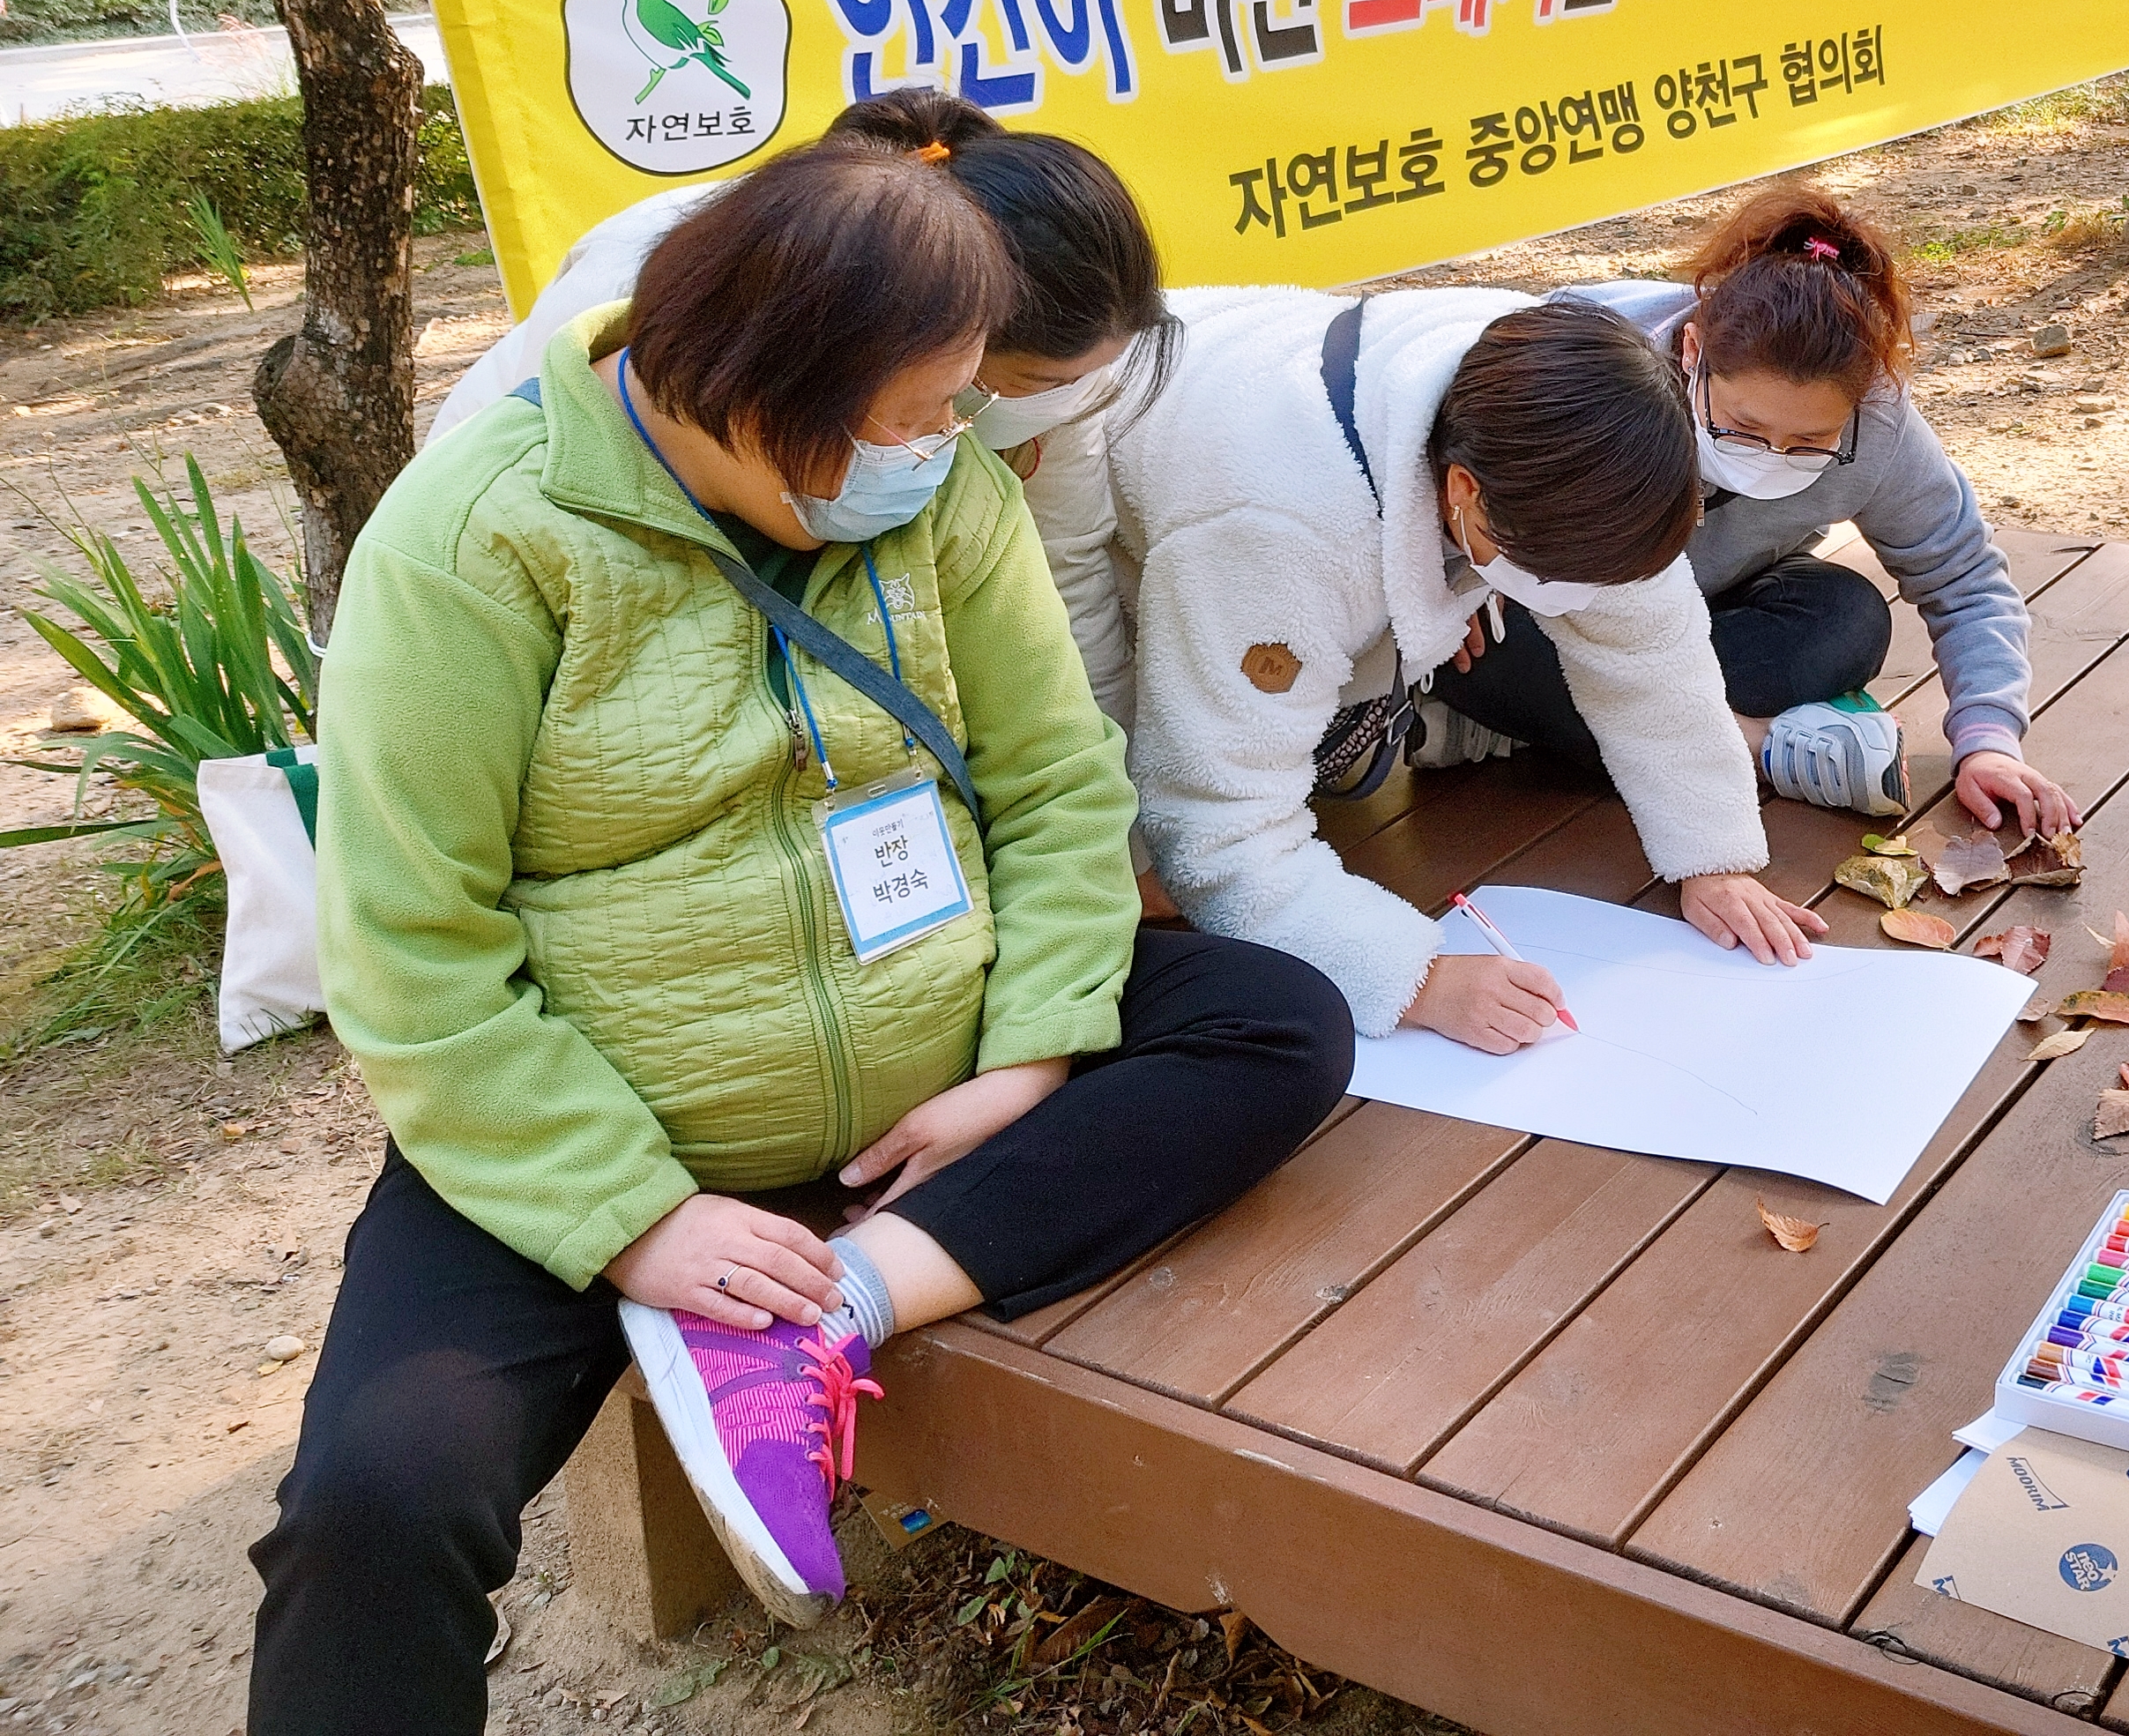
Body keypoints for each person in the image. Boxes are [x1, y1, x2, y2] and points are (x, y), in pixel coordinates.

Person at [252, 138, 1349, 1734]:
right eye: (909, 417)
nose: (948, 449)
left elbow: (1053, 783)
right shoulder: (479, 541)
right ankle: (715, 1297)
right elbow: (411, 951)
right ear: (750, 385)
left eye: (956, 403)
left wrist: (1031, 1051)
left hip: (919, 1075)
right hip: (615, 1119)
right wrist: (633, 1219)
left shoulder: (941, 499)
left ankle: (828, 1311)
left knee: (1276, 1022)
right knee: (374, 1497)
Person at [1108, 286, 1820, 1053]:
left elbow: (1651, 654)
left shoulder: (1565, 411)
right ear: (1461, 492)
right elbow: (1217, 822)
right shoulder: (1278, 529)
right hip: (1132, 532)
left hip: (1248, 478)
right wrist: (1417, 977)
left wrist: (1712, 857)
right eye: (1553, 572)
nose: (1581, 601)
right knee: (1140, 864)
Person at [435, 89, 1172, 722]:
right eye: (1039, 383)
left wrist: (1124, 839)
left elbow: (1064, 584)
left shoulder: (1047, 374)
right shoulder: (670, 307)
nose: (1072, 404)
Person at [1433, 188, 2074, 837]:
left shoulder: (1881, 427)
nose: (1770, 455)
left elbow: (1964, 578)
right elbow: (1435, 465)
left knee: (1849, 620)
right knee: (1464, 646)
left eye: (1809, 444)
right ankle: (1748, 744)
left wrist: (1990, 740)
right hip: (1550, 608)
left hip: (1702, 611)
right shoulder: (1594, 366)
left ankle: (1533, 730)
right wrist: (1459, 572)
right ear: (1692, 352)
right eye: (1742, 426)